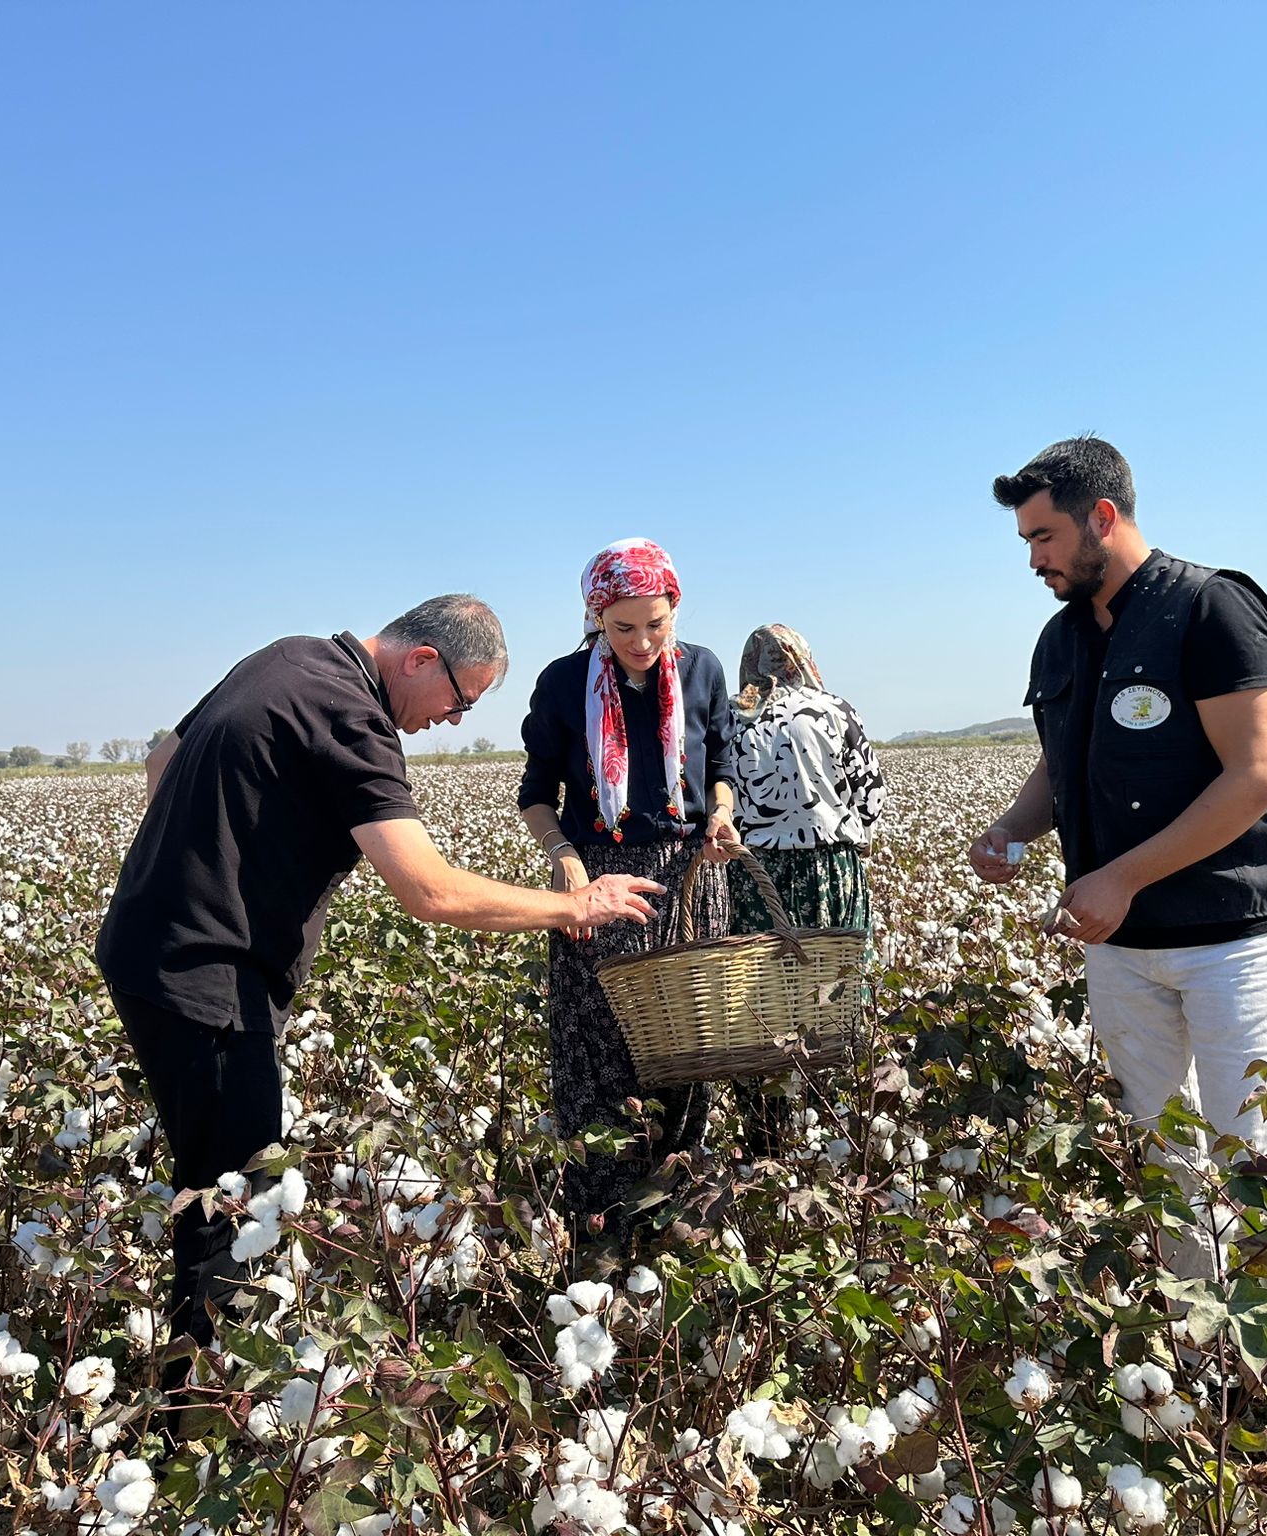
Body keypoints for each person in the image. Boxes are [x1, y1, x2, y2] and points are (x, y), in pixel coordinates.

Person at [97, 595, 665, 1389]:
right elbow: (430, 892)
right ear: (421, 660)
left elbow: (161, 764)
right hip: (209, 978)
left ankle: (198, 1385)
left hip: (145, 950)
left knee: (213, 1178)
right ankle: (189, 1417)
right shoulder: (354, 718)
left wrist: (210, 861)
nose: (456, 720)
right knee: (234, 1202)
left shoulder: (285, 655)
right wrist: (579, 904)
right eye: (460, 700)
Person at [970, 437, 1267, 1278]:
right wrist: (1012, 826)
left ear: (1102, 518)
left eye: (1043, 538)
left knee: (1253, 1157)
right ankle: (1198, 1348)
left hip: (1230, 940)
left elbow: (1258, 777)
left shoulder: (1211, 609)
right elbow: (1062, 762)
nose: (1033, 559)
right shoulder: (1060, 639)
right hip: (1120, 947)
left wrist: (1122, 875)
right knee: (1165, 1160)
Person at [517, 539, 743, 1253]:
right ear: (595, 616)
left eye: (658, 624)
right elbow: (536, 796)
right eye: (624, 628)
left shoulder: (703, 670)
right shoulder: (561, 685)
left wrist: (723, 815)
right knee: (599, 1052)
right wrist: (566, 861)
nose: (643, 642)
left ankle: (673, 1214)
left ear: (675, 610)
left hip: (689, 881)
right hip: (602, 886)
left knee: (688, 1051)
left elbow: (722, 765)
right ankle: (601, 1228)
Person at [725, 623, 887, 1153]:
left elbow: (717, 791)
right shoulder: (835, 710)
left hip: (754, 878)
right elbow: (870, 798)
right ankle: (833, 1126)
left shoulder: (733, 713)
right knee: (832, 991)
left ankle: (764, 1136)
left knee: (761, 1000)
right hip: (829, 872)